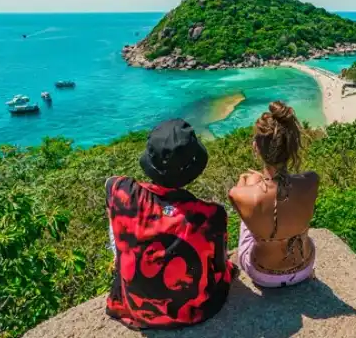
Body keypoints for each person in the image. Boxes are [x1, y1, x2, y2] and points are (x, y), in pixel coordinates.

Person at [105, 119, 234, 330]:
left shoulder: (120, 190)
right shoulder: (211, 215)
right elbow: (219, 267)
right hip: (193, 312)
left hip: (136, 310)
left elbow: (109, 184)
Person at [229, 101, 320, 288]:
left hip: (262, 274)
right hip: (304, 267)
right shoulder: (312, 180)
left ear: (256, 147)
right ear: (291, 147)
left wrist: (246, 179)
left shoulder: (236, 194)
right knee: (261, 187)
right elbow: (283, 192)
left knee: (250, 182)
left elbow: (244, 193)